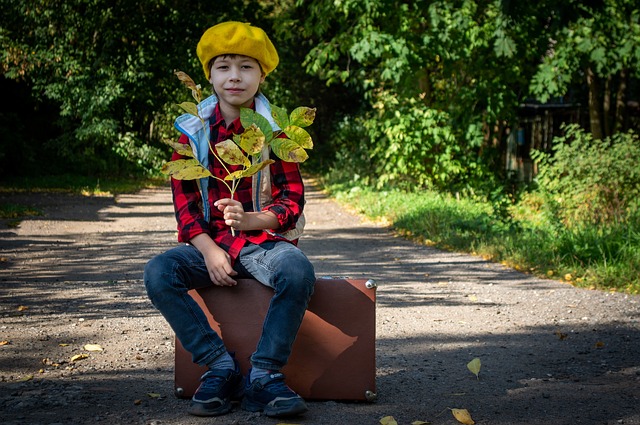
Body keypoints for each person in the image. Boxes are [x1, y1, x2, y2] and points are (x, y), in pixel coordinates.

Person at [144, 21, 315, 418]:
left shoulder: (275, 134)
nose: (234, 76)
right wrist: (207, 251)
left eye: (246, 67)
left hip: (263, 246)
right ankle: (220, 367)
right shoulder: (193, 132)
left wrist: (254, 219)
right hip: (211, 247)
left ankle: (265, 376)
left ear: (262, 75)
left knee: (296, 269)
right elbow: (185, 206)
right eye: (223, 67)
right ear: (210, 76)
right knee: (158, 272)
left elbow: (292, 198)